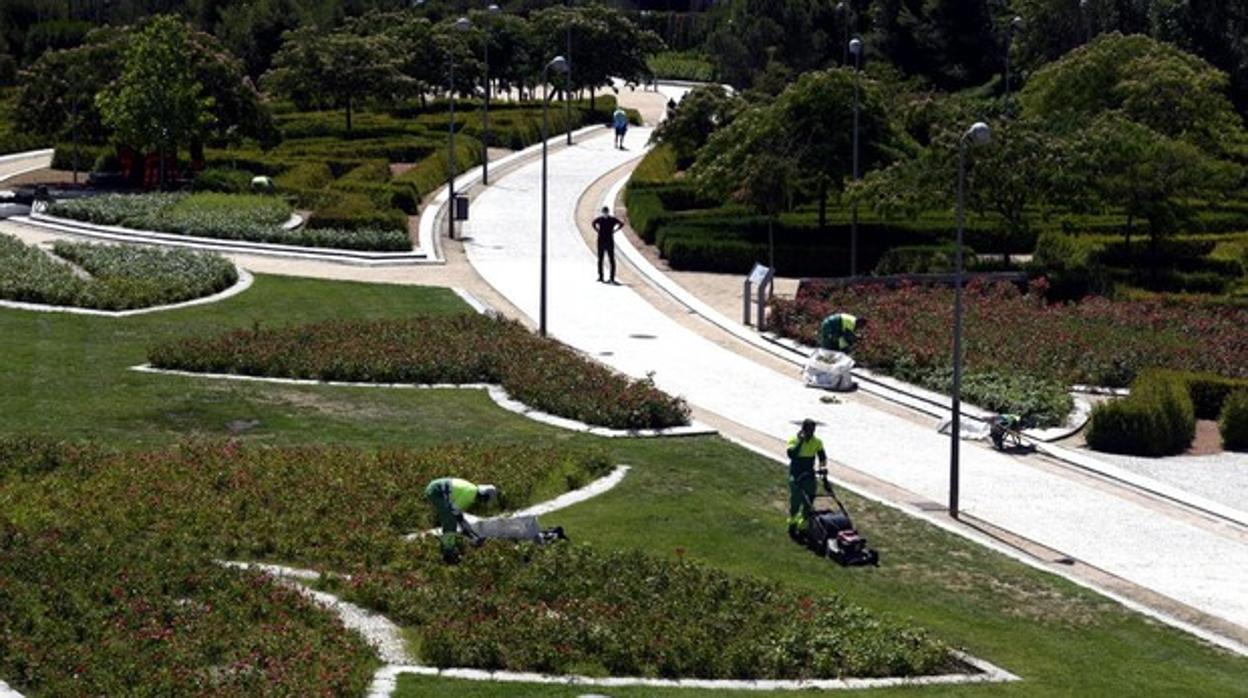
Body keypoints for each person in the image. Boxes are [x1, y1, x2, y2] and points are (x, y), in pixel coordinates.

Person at [424, 477, 499, 563]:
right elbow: (455, 511)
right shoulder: (470, 494)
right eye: (486, 500)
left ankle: (448, 548)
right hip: (436, 491)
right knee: (450, 522)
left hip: (436, 489)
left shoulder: (472, 490)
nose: (483, 503)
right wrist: (467, 531)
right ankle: (448, 553)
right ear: (484, 496)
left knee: (451, 518)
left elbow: (457, 512)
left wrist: (465, 527)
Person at [786, 418, 828, 542]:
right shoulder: (793, 440)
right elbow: (792, 454)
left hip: (809, 475)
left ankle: (803, 525)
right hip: (796, 475)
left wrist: (823, 469)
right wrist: (801, 442)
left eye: (813, 430)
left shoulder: (817, 442)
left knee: (809, 502)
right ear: (803, 429)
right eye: (808, 430)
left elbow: (822, 457)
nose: (811, 433)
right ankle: (792, 524)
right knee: (796, 501)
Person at [592, 206, 624, 283]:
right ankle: (601, 276)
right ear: (602, 212)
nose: (605, 214)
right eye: (604, 212)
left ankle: (612, 278)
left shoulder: (612, 220)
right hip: (601, 241)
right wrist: (597, 230)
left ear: (608, 212)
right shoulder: (600, 219)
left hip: (609, 241)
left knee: (611, 260)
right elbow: (593, 223)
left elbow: (621, 224)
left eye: (606, 212)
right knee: (600, 259)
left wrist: (615, 230)